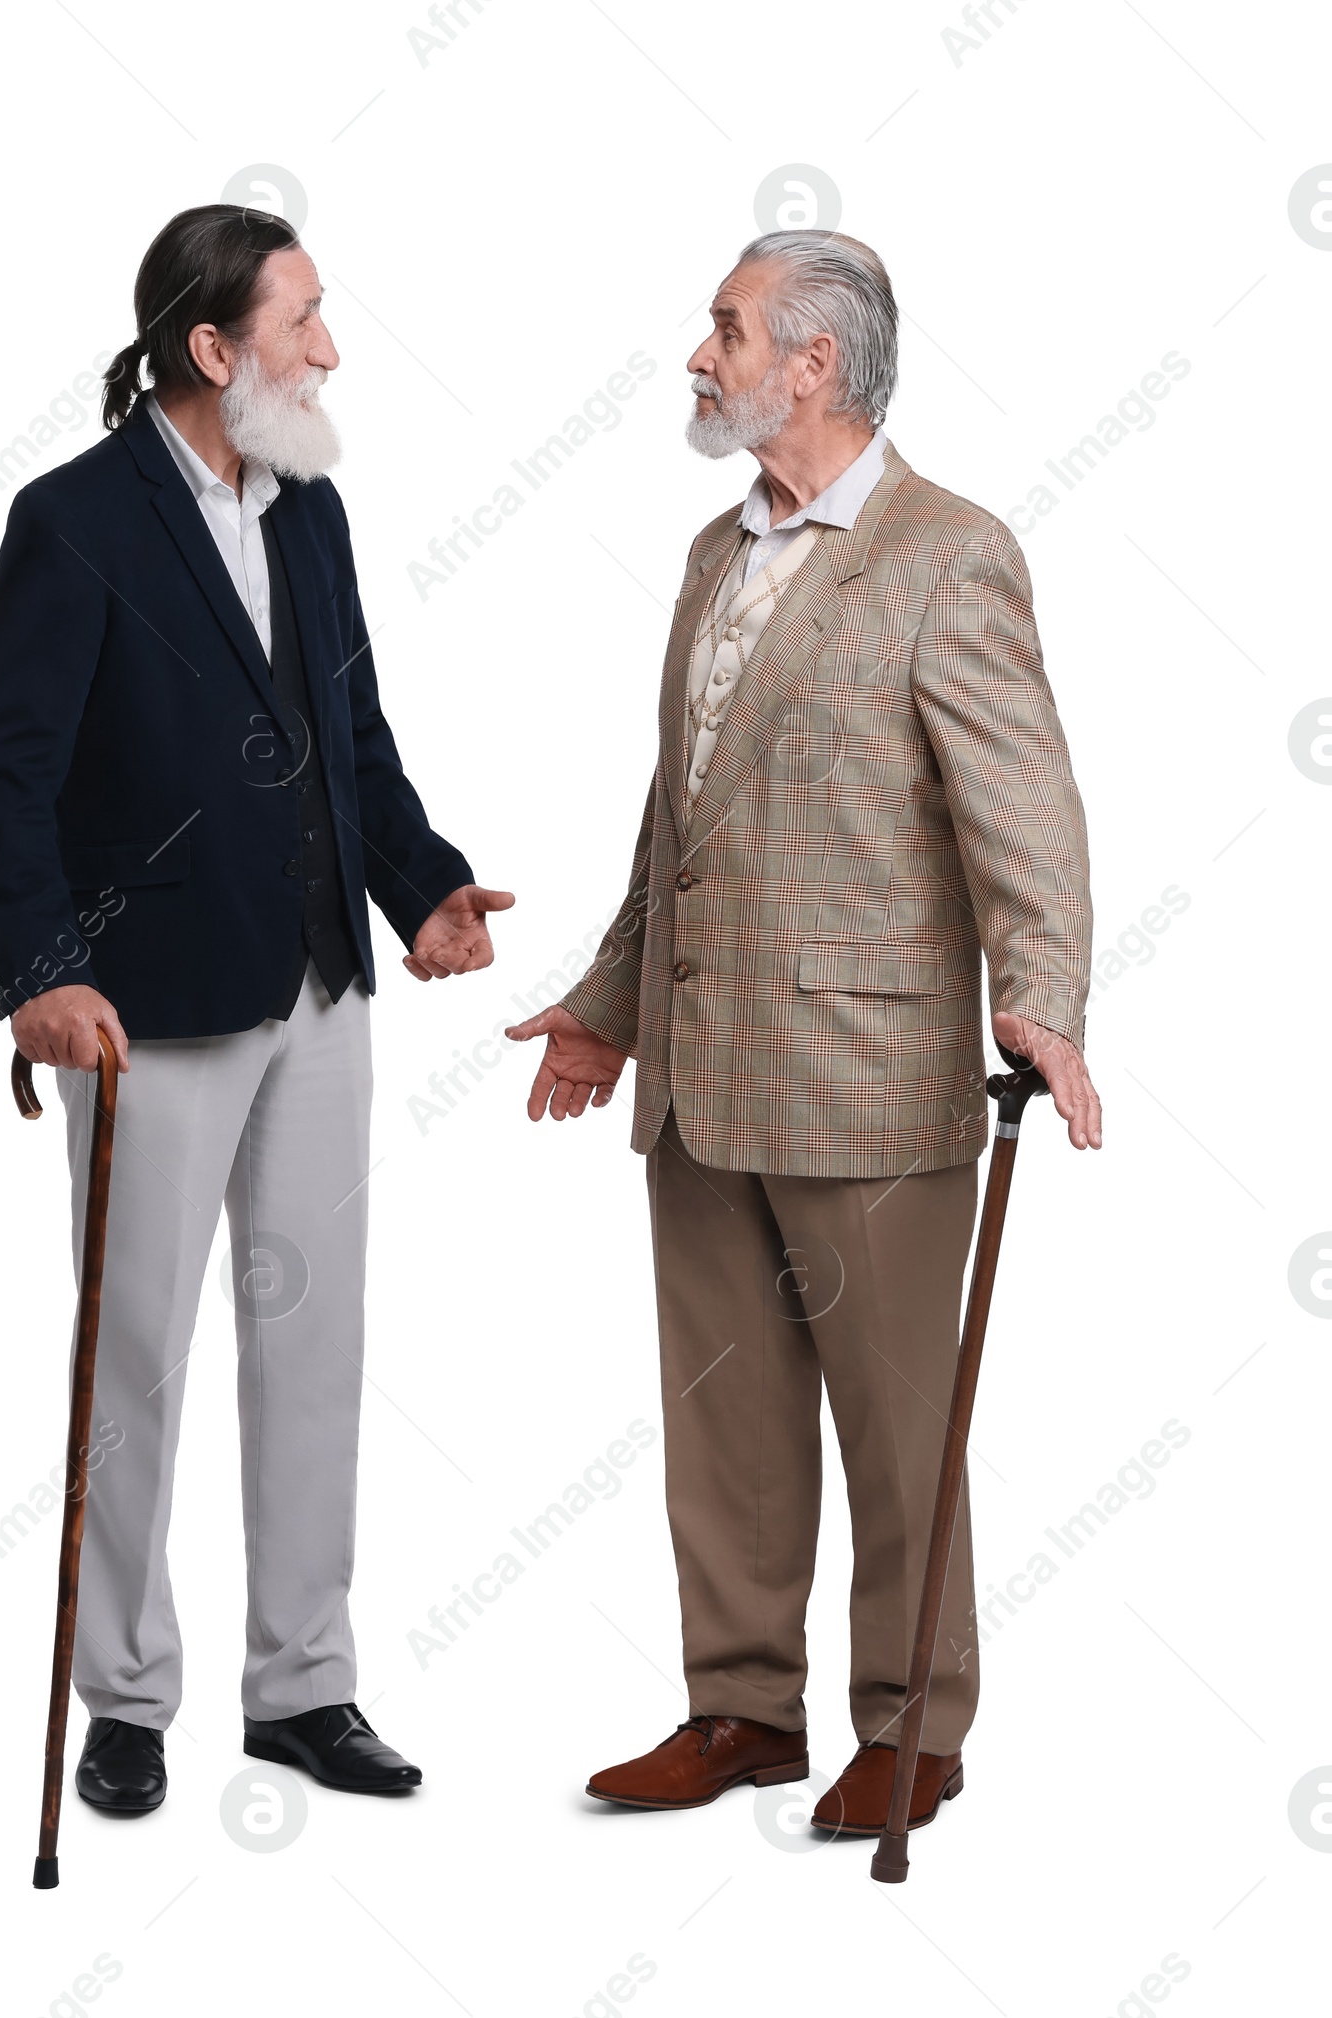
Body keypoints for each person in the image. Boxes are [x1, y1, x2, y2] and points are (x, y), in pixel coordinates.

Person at [509, 229, 1097, 1838]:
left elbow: (1023, 804)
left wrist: (1039, 992)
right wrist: (607, 1011)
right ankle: (740, 1709)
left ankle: (913, 1723)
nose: (703, 355)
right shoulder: (718, 549)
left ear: (814, 362)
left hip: (871, 1072)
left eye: (728, 328)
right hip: (703, 1080)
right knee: (728, 1417)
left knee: (901, 1423)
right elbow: (677, 821)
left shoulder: (946, 551)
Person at [0, 204, 511, 1814]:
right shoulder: (72, 521)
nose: (330, 348)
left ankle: (305, 1684)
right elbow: (5, 779)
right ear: (214, 351)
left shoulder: (312, 508)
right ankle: (125, 1699)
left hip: (320, 988)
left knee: (315, 1342)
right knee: (132, 1356)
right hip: (146, 1009)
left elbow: (353, 727)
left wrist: (425, 887)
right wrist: (42, 973)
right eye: (305, 321)